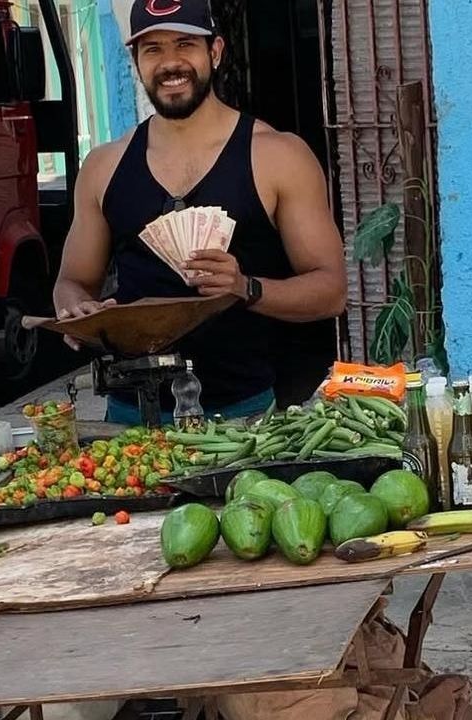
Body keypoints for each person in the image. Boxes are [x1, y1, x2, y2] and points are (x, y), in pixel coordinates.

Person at [53, 0, 347, 425]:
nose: (170, 62)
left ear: (216, 51)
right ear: (135, 60)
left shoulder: (277, 156)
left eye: (185, 44)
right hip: (128, 419)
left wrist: (246, 287)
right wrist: (76, 310)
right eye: (152, 49)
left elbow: (331, 291)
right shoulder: (103, 166)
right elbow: (72, 281)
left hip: (242, 418)